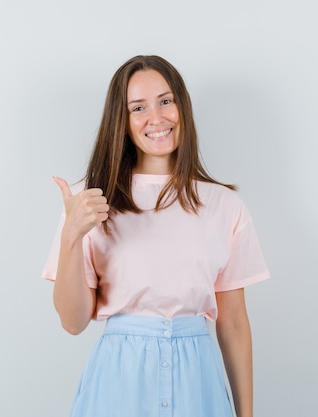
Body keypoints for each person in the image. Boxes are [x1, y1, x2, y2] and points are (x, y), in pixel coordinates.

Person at [42, 55, 269, 417]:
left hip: (200, 386)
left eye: (166, 101)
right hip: (117, 386)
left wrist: (247, 415)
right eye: (138, 107)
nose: (157, 118)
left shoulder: (224, 205)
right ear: (122, 120)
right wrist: (71, 237)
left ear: (182, 105)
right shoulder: (89, 202)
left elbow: (235, 323)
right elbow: (73, 322)